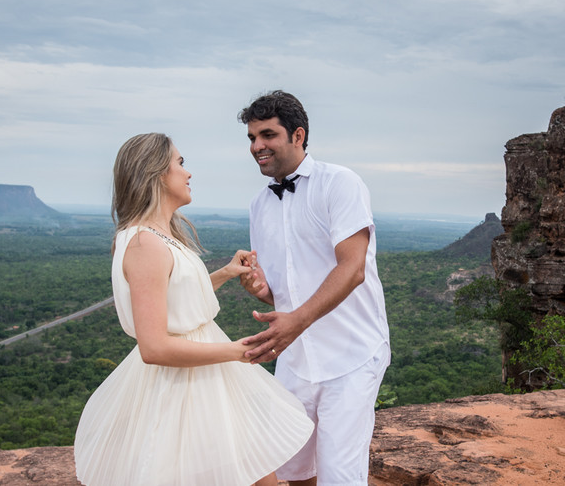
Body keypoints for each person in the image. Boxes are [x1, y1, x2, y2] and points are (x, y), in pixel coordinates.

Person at [74, 132, 313, 486]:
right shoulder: (144, 243)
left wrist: (224, 273)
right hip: (185, 384)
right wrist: (240, 351)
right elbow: (154, 347)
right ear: (156, 173)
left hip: (203, 377)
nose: (188, 173)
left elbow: (173, 298)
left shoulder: (154, 235)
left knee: (256, 472)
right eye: (180, 163)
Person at [237, 90, 391, 486]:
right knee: (295, 469)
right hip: (296, 360)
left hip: (351, 354)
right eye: (252, 137)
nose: (257, 146)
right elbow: (284, 290)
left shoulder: (340, 183)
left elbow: (353, 269)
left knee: (339, 476)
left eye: (267, 135)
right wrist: (262, 290)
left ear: (298, 135)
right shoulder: (258, 206)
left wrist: (296, 321)